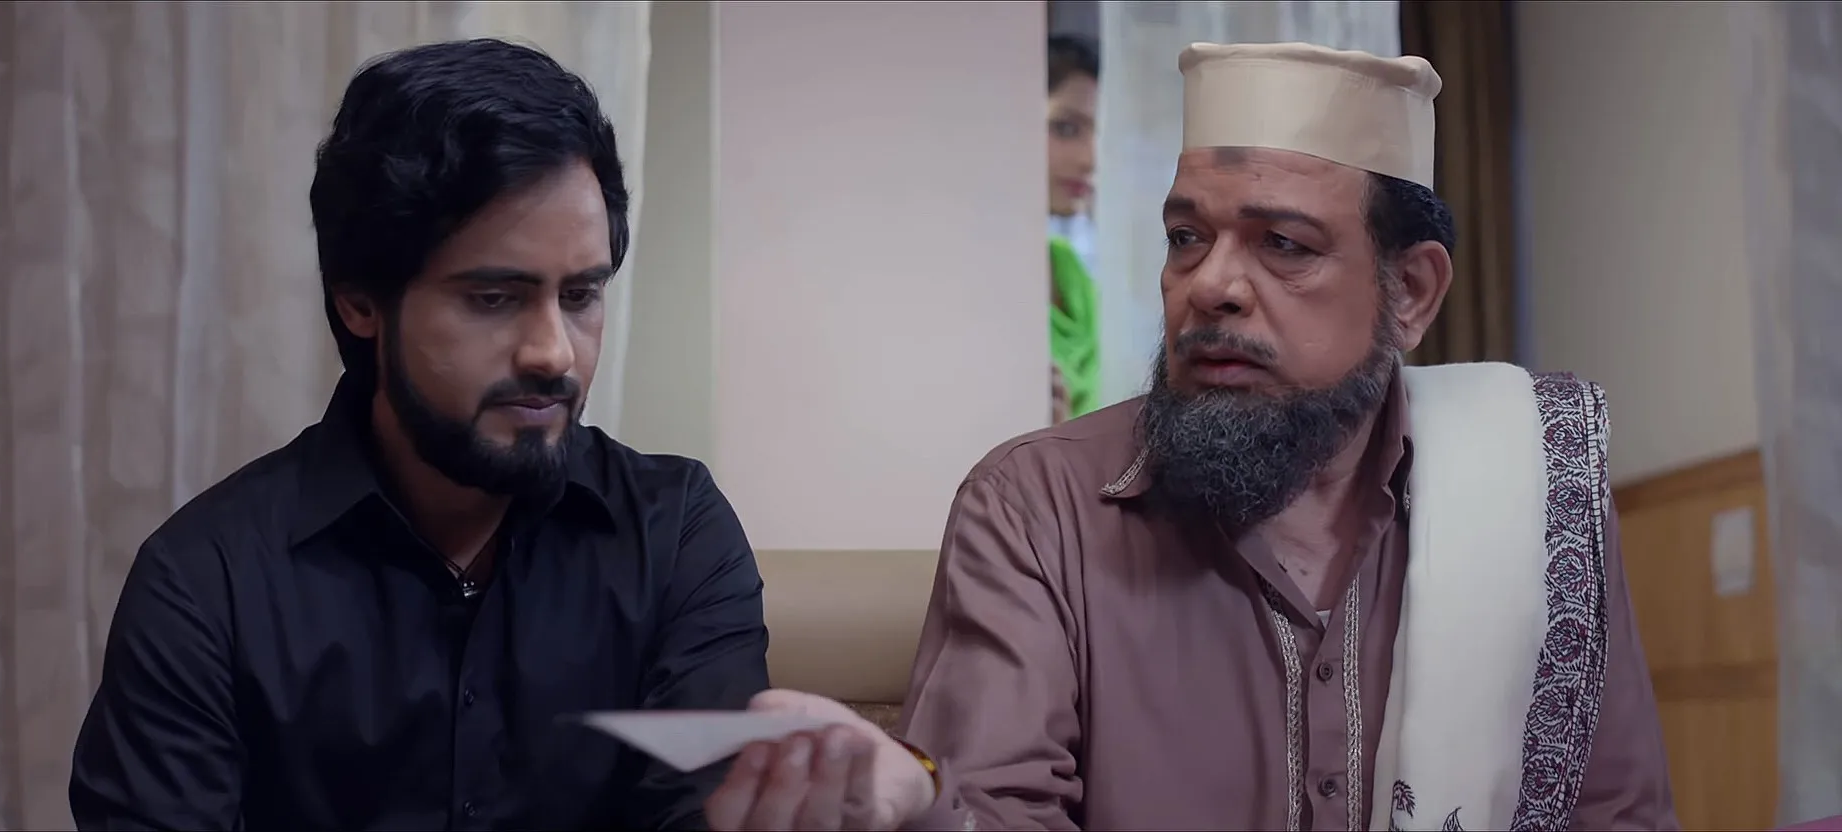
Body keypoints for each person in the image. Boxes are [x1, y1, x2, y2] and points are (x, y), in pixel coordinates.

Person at [704, 42, 1678, 831]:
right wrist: (917, 804)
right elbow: (989, 808)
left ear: (1412, 291)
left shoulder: (1526, 500)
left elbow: (1617, 815)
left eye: (1283, 244)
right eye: (1185, 237)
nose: (1210, 284)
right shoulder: (1037, 508)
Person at [69, 39, 769, 830]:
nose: (553, 352)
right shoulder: (208, 583)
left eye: (580, 295)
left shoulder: (674, 536)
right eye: (494, 298)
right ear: (360, 303)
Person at [1047, 35, 1101, 424]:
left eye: (1097, 134)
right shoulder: (977, 287)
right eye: (1066, 129)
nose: (1089, 159)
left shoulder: (1070, 271)